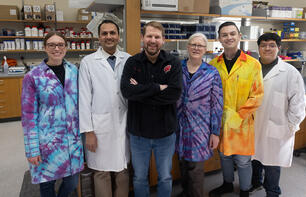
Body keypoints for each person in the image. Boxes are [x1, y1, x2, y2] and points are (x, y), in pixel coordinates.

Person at [120, 21, 182, 197]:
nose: (152, 40)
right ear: (142, 38)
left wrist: (140, 90)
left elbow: (174, 94)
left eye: (157, 37)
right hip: (139, 134)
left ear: (163, 40)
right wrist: (158, 88)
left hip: (165, 133)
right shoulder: (132, 62)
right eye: (149, 36)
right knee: (139, 177)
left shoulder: (173, 63)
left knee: (165, 177)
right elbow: (126, 91)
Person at [21, 31, 84, 197]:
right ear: (45, 48)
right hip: (47, 142)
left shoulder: (74, 71)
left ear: (66, 47)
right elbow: (28, 117)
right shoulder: (33, 76)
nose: (56, 48)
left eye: (60, 44)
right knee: (47, 183)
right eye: (51, 45)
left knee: (72, 180)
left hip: (72, 139)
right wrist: (32, 150)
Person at [208, 21, 264, 197]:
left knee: (243, 160)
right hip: (221, 120)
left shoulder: (253, 64)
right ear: (219, 39)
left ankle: (245, 190)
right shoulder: (213, 64)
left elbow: (257, 95)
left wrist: (239, 116)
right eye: (224, 35)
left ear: (240, 36)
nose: (229, 37)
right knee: (224, 155)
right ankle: (227, 184)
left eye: (232, 33)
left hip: (242, 121)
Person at [250, 33, 306, 197]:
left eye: (272, 45)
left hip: (277, 126)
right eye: (263, 45)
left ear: (278, 48)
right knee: (254, 158)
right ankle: (256, 183)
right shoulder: (252, 68)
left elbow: (298, 103)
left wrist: (291, 125)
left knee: (272, 164)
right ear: (258, 48)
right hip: (253, 125)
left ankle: (272, 192)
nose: (267, 48)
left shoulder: (289, 72)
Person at [79, 20, 131, 197]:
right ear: (98, 37)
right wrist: (88, 132)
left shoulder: (128, 59)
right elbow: (84, 99)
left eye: (112, 33)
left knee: (123, 170)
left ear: (118, 36)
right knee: (101, 172)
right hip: (99, 125)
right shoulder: (88, 62)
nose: (109, 37)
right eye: (104, 33)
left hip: (124, 123)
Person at [176, 32, 223, 197]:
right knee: (182, 164)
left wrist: (215, 132)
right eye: (193, 44)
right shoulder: (177, 68)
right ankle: (185, 192)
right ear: (188, 47)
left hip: (200, 128)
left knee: (196, 168)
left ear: (205, 49)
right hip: (179, 126)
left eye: (200, 45)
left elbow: (217, 104)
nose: (196, 48)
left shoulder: (211, 72)